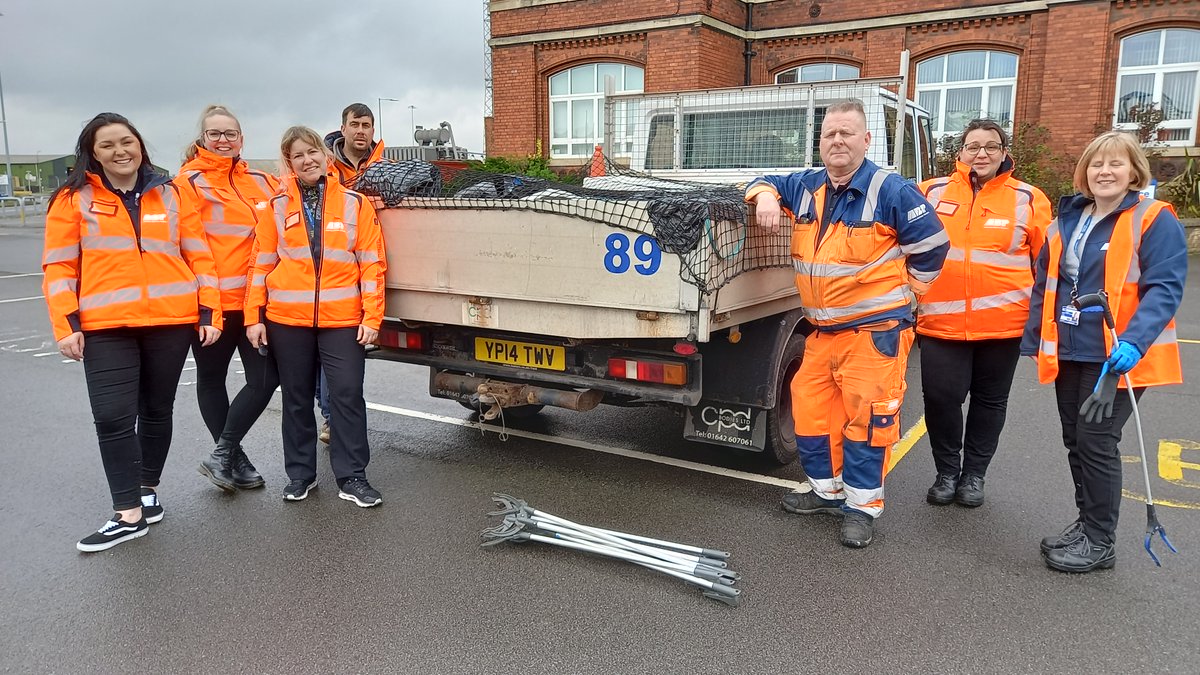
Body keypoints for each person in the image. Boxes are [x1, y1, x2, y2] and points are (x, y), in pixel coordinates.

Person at [747, 99, 949, 548]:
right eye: (829, 135)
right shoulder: (806, 187)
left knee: (867, 423)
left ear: (866, 140)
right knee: (812, 416)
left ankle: (861, 508)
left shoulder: (891, 190)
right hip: (822, 333)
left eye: (846, 133)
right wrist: (762, 194)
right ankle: (826, 491)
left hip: (874, 336)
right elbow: (765, 180)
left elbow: (934, 245)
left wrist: (909, 295)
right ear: (820, 144)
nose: (837, 141)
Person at [42, 113, 222, 552]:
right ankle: (128, 514)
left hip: (170, 322)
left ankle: (146, 492)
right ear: (92, 152)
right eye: (108, 145)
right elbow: (59, 267)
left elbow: (200, 257)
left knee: (157, 409)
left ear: (140, 145)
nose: (121, 151)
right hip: (107, 327)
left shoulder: (172, 193)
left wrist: (209, 314)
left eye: (127, 141)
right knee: (112, 417)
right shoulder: (73, 199)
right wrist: (67, 324)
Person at [1022, 131, 1186, 573]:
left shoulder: (1153, 218)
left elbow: (1165, 287)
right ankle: (1087, 522)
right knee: (1076, 439)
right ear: (1084, 173)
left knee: (1096, 441)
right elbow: (1046, 286)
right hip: (1072, 350)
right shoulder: (1066, 222)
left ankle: (1100, 542)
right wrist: (1035, 338)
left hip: (1118, 356)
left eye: (1116, 163)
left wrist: (1135, 340)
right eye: (1097, 164)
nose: (1105, 172)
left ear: (1134, 171)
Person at [245, 126, 387, 507]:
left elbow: (372, 265)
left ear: (326, 156)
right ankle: (300, 475)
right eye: (298, 156)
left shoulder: (355, 204)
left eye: (312, 152)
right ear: (289, 163)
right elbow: (260, 264)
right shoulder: (275, 207)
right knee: (295, 399)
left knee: (346, 395)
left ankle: (352, 476)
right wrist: (253, 317)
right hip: (286, 320)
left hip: (341, 319)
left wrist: (372, 317)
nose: (307, 160)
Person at [916, 119, 1051, 508]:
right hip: (941, 322)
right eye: (973, 146)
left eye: (991, 146)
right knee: (941, 398)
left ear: (1004, 152)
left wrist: (1043, 321)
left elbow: (1046, 264)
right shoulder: (930, 192)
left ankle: (973, 475)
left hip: (1004, 325)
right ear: (960, 152)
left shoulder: (1028, 198)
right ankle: (946, 472)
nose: (982, 154)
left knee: (990, 402)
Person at [174, 105, 281, 492]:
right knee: (212, 379)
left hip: (256, 304)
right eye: (215, 133)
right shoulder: (187, 183)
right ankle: (233, 458)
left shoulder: (262, 181)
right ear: (203, 138)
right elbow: (188, 247)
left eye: (230, 134)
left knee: (265, 380)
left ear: (241, 139)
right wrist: (207, 309)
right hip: (212, 306)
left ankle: (223, 452)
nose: (223, 140)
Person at [324, 102, 387, 188]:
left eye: (365, 126)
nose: (360, 131)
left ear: (372, 132)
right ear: (343, 129)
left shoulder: (385, 169)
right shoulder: (323, 166)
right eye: (354, 125)